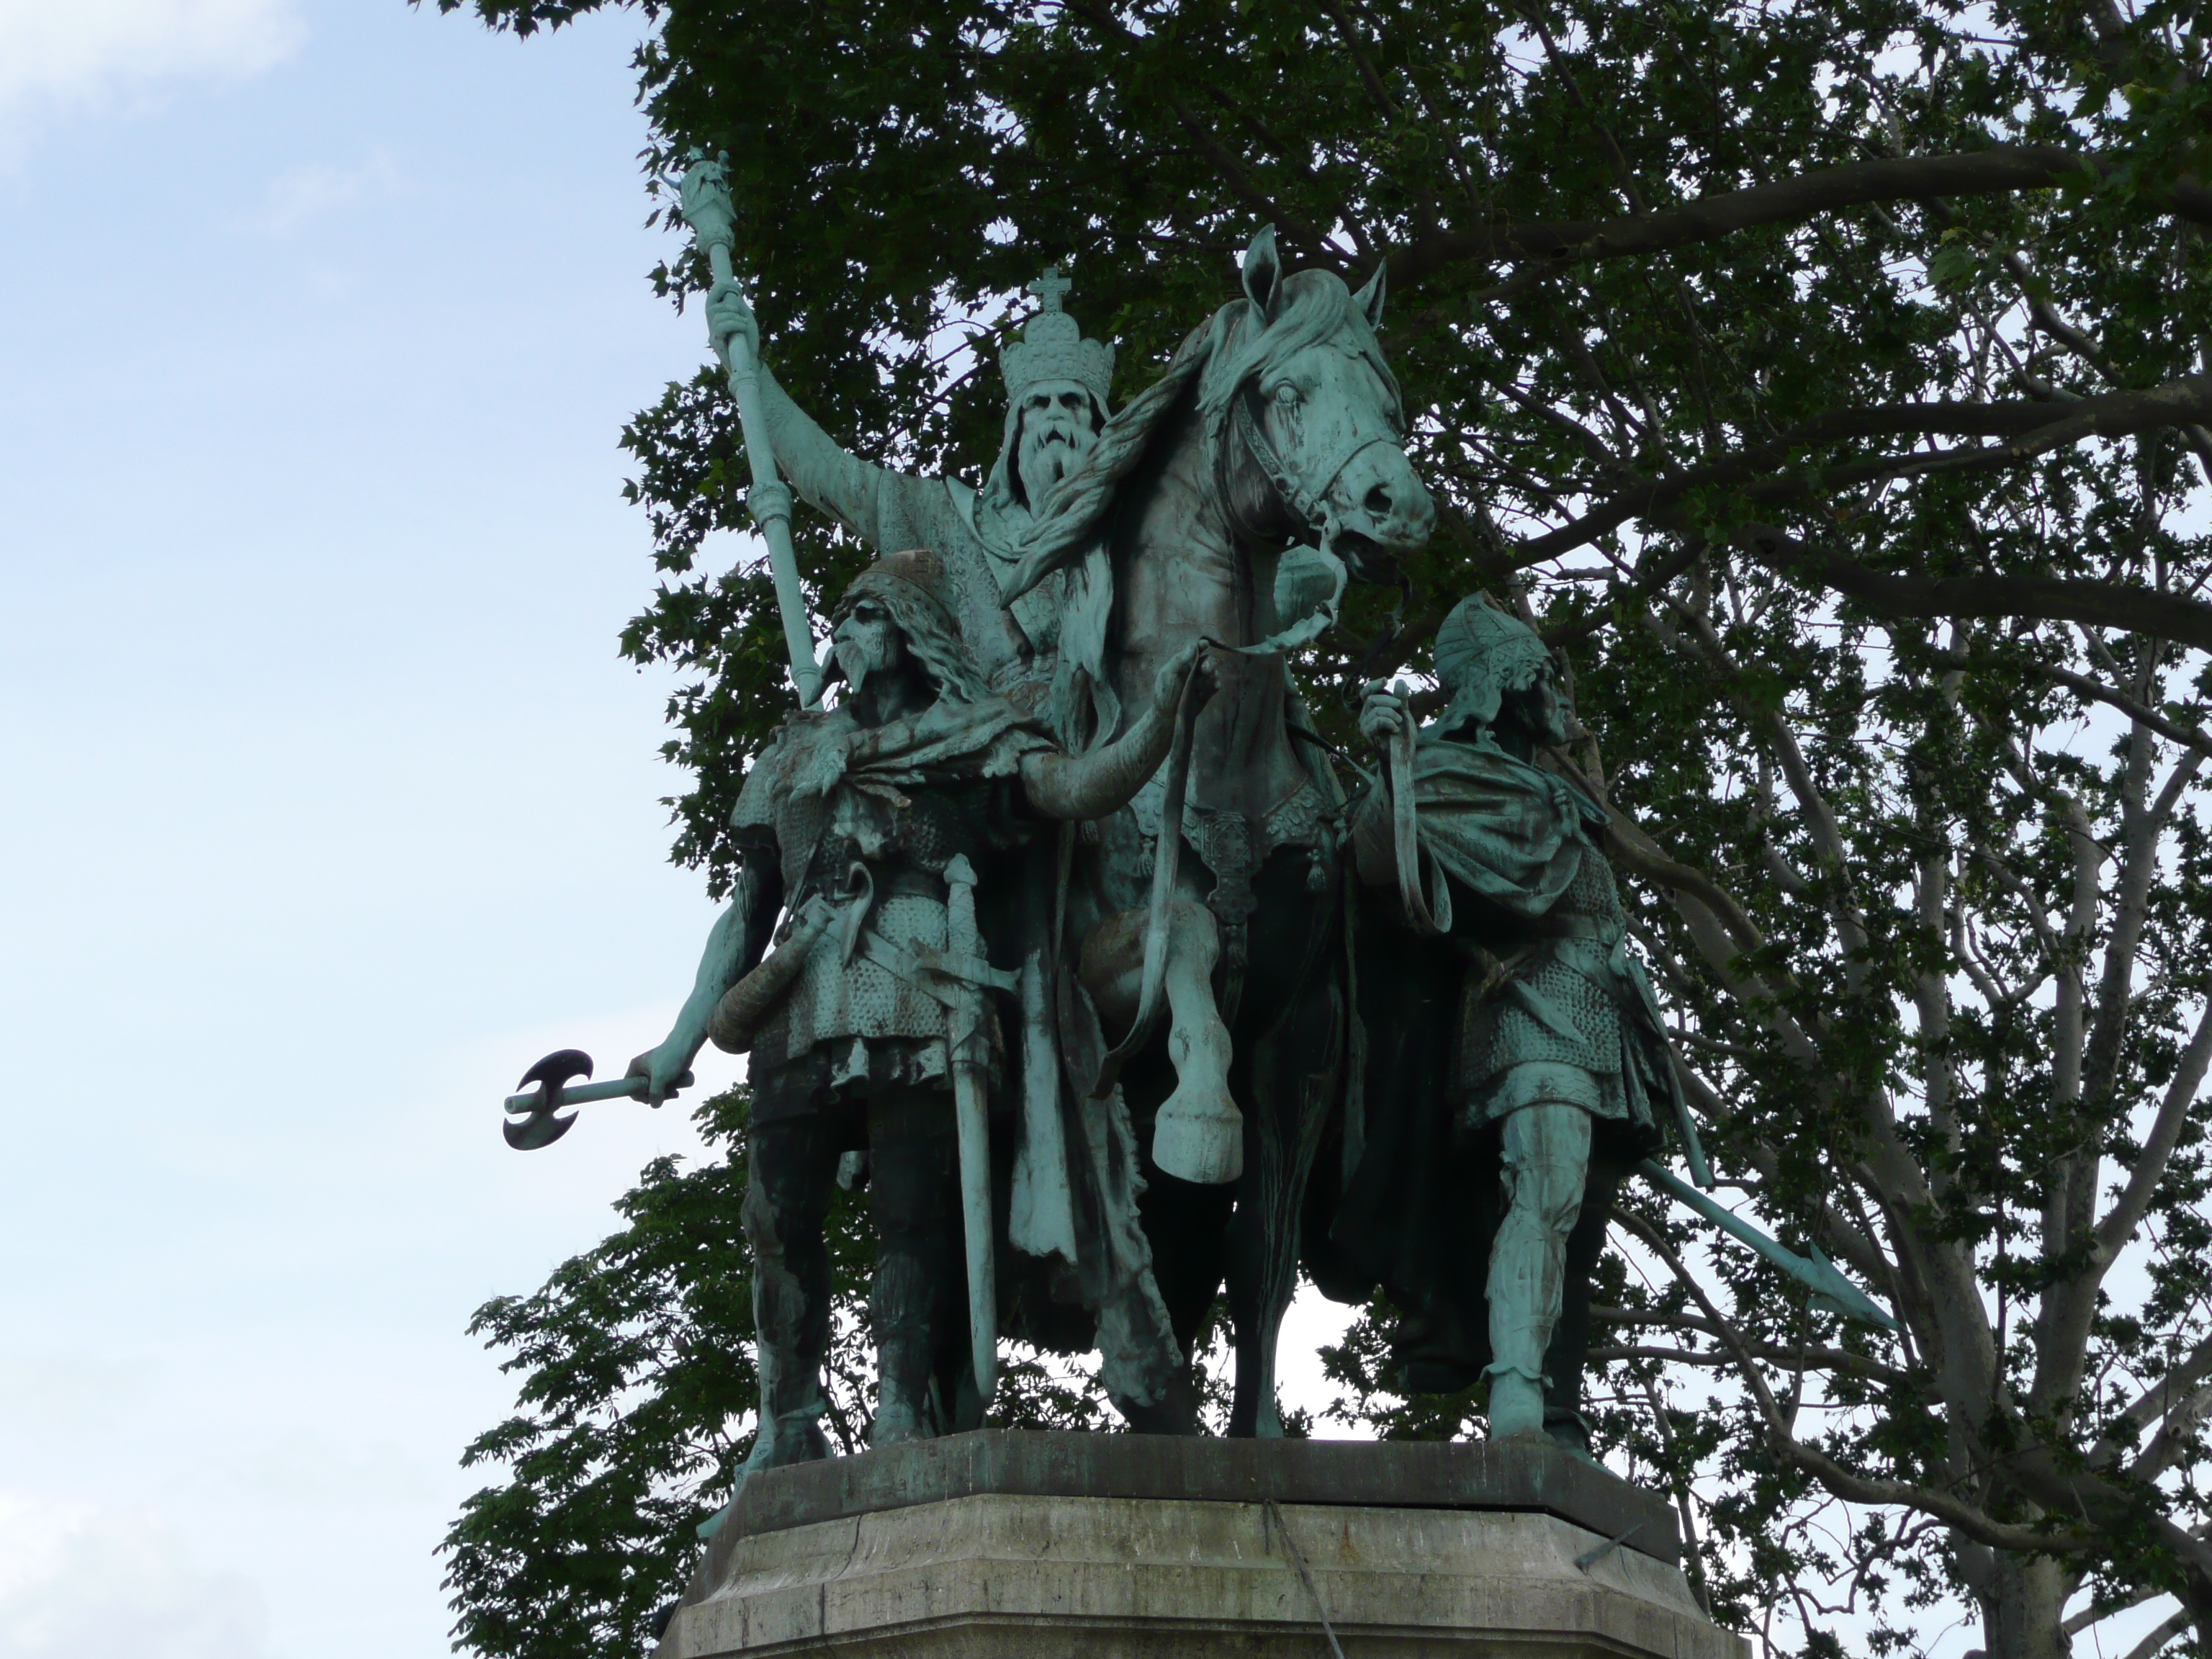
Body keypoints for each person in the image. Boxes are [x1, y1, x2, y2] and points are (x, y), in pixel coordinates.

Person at [626, 549, 1212, 1466]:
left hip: (925, 992)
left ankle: (899, 1405)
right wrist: (679, 1040)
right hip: (802, 994)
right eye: (840, 621)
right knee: (773, 1219)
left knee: (912, 1213)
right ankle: (787, 1417)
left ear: (908, 632)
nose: (845, 637)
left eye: (864, 618)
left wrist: (1163, 721)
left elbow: (1076, 789)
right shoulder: (791, 756)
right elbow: (747, 911)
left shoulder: (975, 738)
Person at [1331, 595, 1678, 1451]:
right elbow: (1379, 856)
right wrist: (1391, 768)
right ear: (1506, 684)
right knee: (1544, 1198)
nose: (1558, 690)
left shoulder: (1554, 791)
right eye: (1541, 673)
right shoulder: (1447, 768)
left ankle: (1555, 1406)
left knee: (1578, 1225)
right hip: (1530, 1016)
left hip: (1602, 1026)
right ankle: (1518, 1401)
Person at [709, 267, 1119, 743]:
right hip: (998, 744)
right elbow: (831, 476)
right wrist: (752, 370)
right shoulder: (951, 519)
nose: (1054, 416)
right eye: (1038, 404)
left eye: (1072, 403)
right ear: (1014, 434)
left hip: (1128, 727)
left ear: (1100, 423)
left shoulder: (1140, 523)